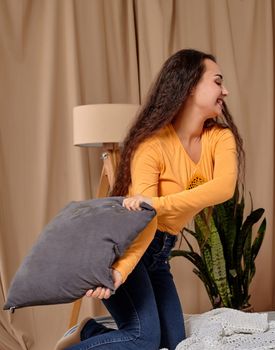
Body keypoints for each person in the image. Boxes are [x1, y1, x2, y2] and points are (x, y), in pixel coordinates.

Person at [56, 49, 244, 350]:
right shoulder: (152, 145)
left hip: (158, 255)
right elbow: (143, 221)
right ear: (190, 85)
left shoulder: (219, 138)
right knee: (143, 340)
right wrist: (120, 270)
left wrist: (158, 204)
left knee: (173, 343)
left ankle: (90, 332)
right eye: (217, 81)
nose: (226, 90)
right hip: (127, 246)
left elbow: (224, 188)